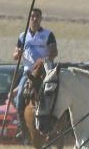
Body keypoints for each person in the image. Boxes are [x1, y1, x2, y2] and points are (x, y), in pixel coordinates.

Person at [11, 8, 58, 141]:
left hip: (44, 72)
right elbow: (15, 55)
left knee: (53, 95)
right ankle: (22, 129)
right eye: (32, 16)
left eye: (37, 16)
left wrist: (44, 59)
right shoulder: (22, 36)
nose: (34, 18)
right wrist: (18, 54)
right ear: (29, 18)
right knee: (19, 96)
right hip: (28, 73)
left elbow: (54, 52)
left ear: (41, 18)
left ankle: (57, 126)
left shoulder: (48, 34)